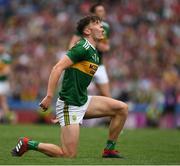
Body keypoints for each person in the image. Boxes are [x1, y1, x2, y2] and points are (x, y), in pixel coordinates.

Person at [11, 15, 128, 158]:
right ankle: (27, 143)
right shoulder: (82, 47)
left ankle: (109, 150)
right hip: (70, 104)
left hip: (82, 100)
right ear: (87, 31)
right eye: (97, 24)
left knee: (122, 109)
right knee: (68, 154)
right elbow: (57, 68)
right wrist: (49, 97)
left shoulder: (95, 53)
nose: (101, 26)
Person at [69, 3, 111, 97]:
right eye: (99, 11)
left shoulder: (106, 27)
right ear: (93, 13)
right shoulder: (85, 26)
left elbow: (107, 46)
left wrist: (101, 46)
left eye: (103, 10)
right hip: (84, 64)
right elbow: (72, 43)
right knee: (79, 93)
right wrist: (73, 56)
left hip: (99, 64)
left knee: (107, 96)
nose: (102, 13)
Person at [0, 41, 14, 123]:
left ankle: (9, 118)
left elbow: (7, 71)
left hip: (2, 82)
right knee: (3, 101)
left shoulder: (6, 57)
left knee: (2, 100)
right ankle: (8, 117)